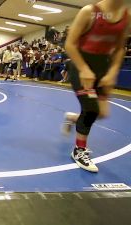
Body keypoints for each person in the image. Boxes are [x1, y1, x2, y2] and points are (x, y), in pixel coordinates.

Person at [63, 0, 130, 172]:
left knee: (102, 113)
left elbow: (120, 48)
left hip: (103, 67)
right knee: (91, 110)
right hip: (81, 64)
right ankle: (79, 150)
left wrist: (112, 72)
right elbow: (70, 44)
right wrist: (84, 69)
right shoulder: (89, 12)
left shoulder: (125, 16)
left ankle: (72, 118)